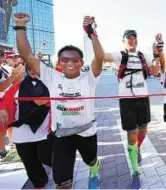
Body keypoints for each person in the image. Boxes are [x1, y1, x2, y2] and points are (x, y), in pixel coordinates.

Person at [14, 13, 104, 189]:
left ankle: (94, 168)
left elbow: (99, 57)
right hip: (61, 136)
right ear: (59, 62)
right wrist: (20, 25)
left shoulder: (89, 78)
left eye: (75, 60)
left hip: (86, 134)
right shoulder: (51, 76)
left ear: (81, 62)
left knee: (90, 160)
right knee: (62, 183)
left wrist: (92, 32)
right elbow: (27, 55)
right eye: (65, 59)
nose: (70, 63)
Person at [102, 30, 160, 188]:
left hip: (143, 99)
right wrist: (93, 35)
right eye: (129, 38)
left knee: (143, 131)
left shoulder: (143, 55)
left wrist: (156, 54)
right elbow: (101, 56)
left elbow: (155, 72)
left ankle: (137, 150)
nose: (133, 40)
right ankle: (135, 171)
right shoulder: (120, 55)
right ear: (124, 41)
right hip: (127, 100)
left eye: (135, 38)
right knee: (132, 134)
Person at [0, 64, 52, 188]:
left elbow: (63, 100)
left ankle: (63, 174)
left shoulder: (52, 86)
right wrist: (2, 109)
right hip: (21, 133)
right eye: (30, 68)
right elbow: (5, 101)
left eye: (36, 68)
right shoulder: (17, 87)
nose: (33, 71)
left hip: (44, 132)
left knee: (48, 158)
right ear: (26, 70)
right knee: (31, 164)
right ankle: (40, 184)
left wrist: (48, 101)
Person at [0, 51, 23, 163]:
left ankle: (11, 147)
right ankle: (3, 153)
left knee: (9, 125)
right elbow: (2, 87)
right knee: (2, 127)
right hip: (3, 99)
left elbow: (15, 82)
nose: (15, 58)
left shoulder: (4, 69)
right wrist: (15, 75)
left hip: (8, 98)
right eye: (12, 57)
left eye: (16, 56)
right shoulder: (7, 68)